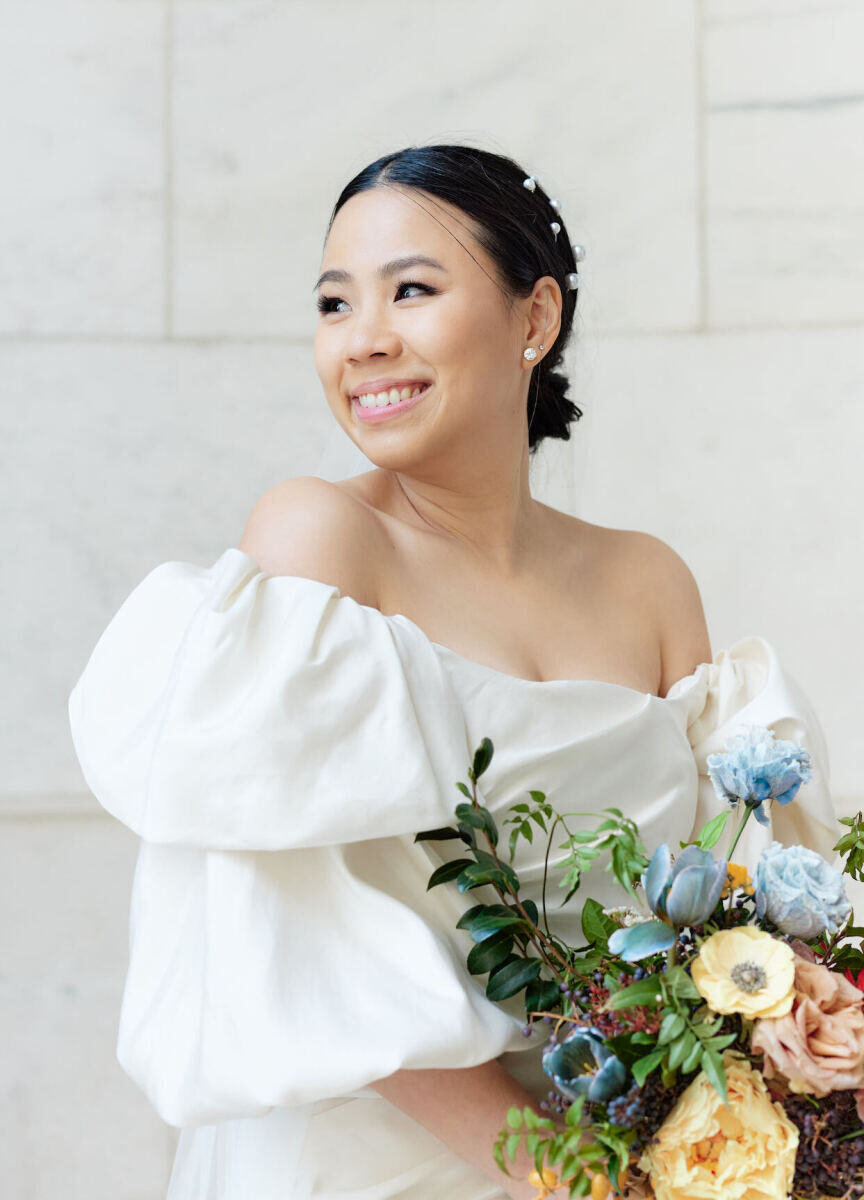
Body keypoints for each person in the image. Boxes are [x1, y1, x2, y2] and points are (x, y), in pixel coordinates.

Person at [67, 144, 839, 1200]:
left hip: (646, 1153)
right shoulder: (320, 540)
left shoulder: (649, 581)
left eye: (412, 291)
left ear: (535, 319)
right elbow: (304, 936)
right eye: (335, 305)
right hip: (390, 1166)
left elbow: (735, 907)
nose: (364, 339)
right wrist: (573, 1179)